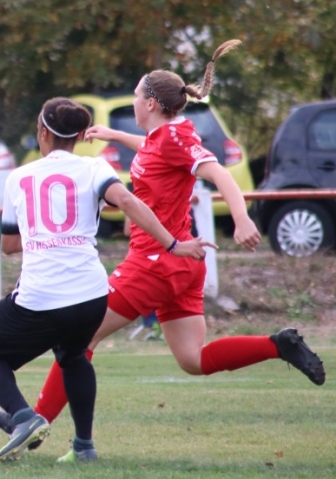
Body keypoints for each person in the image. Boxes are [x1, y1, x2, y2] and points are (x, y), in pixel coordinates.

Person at [21, 40, 326, 451]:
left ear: (150, 102)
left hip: (155, 263)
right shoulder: (163, 136)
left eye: (135, 96)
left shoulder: (174, 139)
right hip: (181, 263)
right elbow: (152, 151)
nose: (133, 102)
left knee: (78, 340)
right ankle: (278, 345)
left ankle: (34, 423)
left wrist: (241, 218)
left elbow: (219, 174)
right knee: (193, 359)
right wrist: (115, 134)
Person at [0, 98, 211, 463]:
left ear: (42, 132)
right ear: (80, 136)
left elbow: (9, 245)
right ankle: (83, 445)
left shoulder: (18, 177)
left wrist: (42, 236)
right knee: (74, 354)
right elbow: (127, 201)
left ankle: (23, 417)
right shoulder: (95, 167)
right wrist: (173, 243)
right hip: (92, 293)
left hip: (41, 295)